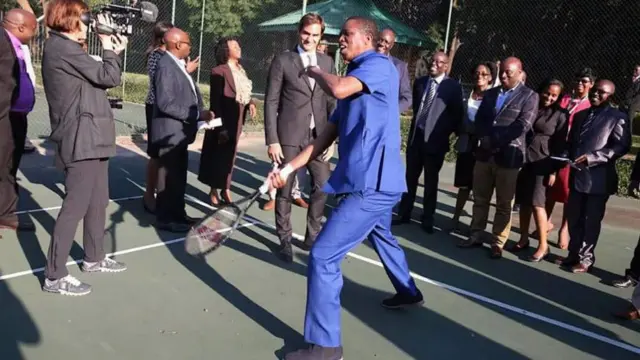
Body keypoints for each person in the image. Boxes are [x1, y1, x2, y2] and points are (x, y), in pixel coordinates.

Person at [267, 16, 423, 360]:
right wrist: (288, 168)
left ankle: (326, 348)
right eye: (340, 36)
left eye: (347, 35)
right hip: (368, 185)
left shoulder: (379, 66)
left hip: (373, 186)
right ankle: (408, 291)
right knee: (381, 235)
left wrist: (312, 69)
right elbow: (323, 138)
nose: (341, 40)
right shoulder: (354, 78)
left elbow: (336, 88)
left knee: (322, 256)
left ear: (367, 39)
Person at [41, 0, 128, 296]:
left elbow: (100, 79)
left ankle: (93, 258)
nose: (88, 24)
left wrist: (113, 50)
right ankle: (54, 275)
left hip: (94, 133)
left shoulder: (70, 50)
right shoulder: (62, 49)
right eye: (84, 18)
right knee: (75, 206)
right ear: (69, 19)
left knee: (98, 201)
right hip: (81, 136)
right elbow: (109, 76)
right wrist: (109, 48)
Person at [263, 13, 337, 261]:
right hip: (289, 136)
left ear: (321, 36)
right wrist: (272, 139)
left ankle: (312, 237)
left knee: (322, 186)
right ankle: (284, 239)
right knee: (285, 190)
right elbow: (271, 100)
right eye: (307, 33)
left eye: (316, 35)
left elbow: (330, 101)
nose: (310, 38)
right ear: (299, 31)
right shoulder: (283, 60)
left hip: (319, 138)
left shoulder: (327, 63)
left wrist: (332, 139)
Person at [458, 57, 539, 259]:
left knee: (504, 204)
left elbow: (523, 125)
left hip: (509, 157)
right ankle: (476, 234)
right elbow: (481, 120)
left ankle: (497, 242)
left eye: (508, 72)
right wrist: (483, 138)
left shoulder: (529, 96)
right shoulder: (491, 93)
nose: (503, 75)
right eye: (501, 71)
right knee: (480, 198)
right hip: (484, 156)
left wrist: (493, 140)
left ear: (519, 73)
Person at [558, 79, 631, 273]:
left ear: (611, 96)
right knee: (574, 216)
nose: (595, 95)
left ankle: (586, 259)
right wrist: (566, 155)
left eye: (601, 92)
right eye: (594, 91)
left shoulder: (617, 117)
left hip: (598, 179)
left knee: (591, 220)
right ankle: (573, 254)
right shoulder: (582, 115)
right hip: (577, 176)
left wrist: (593, 157)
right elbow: (572, 142)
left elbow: (621, 146)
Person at [392, 51, 464, 233]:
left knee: (431, 182)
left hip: (435, 143)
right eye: (433, 61)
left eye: (440, 62)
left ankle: (427, 217)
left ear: (446, 66)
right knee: (410, 178)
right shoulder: (421, 82)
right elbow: (417, 107)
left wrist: (444, 134)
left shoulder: (453, 87)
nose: (434, 64)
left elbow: (456, 115)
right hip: (416, 139)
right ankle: (404, 213)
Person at [151, 28, 214, 232]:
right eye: (188, 43)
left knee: (177, 178)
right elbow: (165, 103)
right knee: (168, 179)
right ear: (177, 44)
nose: (190, 46)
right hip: (170, 133)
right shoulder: (165, 66)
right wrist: (196, 115)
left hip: (179, 134)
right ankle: (166, 218)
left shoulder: (177, 65)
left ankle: (178, 215)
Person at [510, 79, 568, 261]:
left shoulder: (560, 115)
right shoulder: (532, 105)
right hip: (524, 158)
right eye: (547, 93)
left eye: (554, 95)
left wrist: (553, 171)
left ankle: (543, 245)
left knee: (538, 204)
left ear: (559, 97)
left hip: (543, 163)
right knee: (524, 201)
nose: (549, 97)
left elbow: (560, 145)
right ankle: (523, 238)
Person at [198, 37, 257, 204]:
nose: (239, 48)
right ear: (226, 50)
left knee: (231, 155)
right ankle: (214, 189)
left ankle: (226, 189)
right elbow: (216, 101)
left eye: (238, 45)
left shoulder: (241, 69)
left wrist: (250, 103)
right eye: (234, 46)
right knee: (218, 154)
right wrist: (221, 127)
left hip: (238, 117)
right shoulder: (219, 71)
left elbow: (244, 92)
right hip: (224, 118)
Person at [544, 68, 594, 249]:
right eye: (578, 80)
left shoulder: (590, 106)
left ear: (591, 84)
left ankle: (564, 229)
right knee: (549, 188)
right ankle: (545, 223)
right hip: (554, 149)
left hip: (572, 154)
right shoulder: (564, 99)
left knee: (567, 193)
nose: (580, 84)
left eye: (585, 81)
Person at [0, 9, 37, 237]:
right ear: (20, 27)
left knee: (9, 167)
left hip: (16, 117)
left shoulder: (18, 46)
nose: (35, 33)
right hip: (3, 116)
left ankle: (7, 214)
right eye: (34, 29)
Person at [449, 62, 495, 233]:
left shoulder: (493, 97)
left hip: (483, 148)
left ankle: (476, 225)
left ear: (490, 78)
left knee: (480, 188)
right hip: (465, 145)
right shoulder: (466, 94)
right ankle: (455, 217)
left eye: (484, 74)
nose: (479, 76)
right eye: (477, 73)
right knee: (463, 185)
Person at [142, 21, 173, 213]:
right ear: (164, 37)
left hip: (166, 108)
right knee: (155, 153)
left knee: (164, 154)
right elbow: (160, 83)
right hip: (155, 106)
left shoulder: (169, 56)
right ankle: (148, 194)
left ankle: (163, 193)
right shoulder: (156, 56)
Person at [376, 28, 412, 113]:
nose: (381, 43)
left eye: (386, 42)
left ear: (391, 46)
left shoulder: (399, 67)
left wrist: (391, 112)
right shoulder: (366, 62)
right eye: (380, 40)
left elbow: (407, 98)